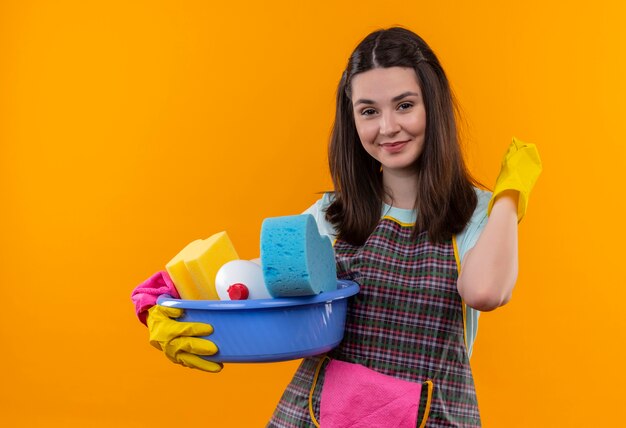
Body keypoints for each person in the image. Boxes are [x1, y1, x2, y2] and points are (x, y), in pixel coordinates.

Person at [131, 27, 541, 427]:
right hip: (318, 416)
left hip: (434, 415)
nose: (387, 128)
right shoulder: (331, 214)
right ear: (352, 120)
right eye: (368, 111)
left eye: (404, 105)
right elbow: (253, 280)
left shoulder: (476, 213)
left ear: (433, 106)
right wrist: (164, 298)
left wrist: (509, 198)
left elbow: (485, 291)